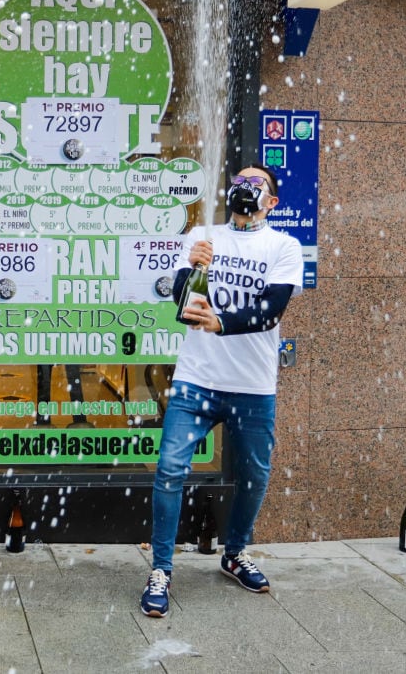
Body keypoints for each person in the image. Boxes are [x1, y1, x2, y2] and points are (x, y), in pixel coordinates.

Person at [140, 164, 303, 618]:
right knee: (170, 469)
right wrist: (192, 268)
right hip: (196, 380)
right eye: (239, 182)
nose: (244, 189)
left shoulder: (283, 246)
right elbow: (179, 298)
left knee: (254, 476)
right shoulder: (202, 234)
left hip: (252, 386)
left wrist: (223, 322)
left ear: (272, 201)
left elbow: (272, 309)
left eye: (257, 185)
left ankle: (234, 553)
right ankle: (161, 569)